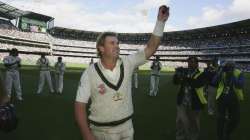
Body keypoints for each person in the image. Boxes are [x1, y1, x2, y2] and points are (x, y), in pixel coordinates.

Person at [74, 5, 169, 140]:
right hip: (101, 132)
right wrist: (86, 134)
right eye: (112, 43)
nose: (117, 45)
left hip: (127, 129)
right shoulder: (89, 73)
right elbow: (79, 105)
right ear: (101, 48)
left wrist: (160, 22)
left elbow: (151, 48)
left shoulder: (128, 63)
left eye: (117, 43)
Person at [173, 56, 208, 140]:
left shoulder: (201, 74)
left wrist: (184, 77)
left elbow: (197, 84)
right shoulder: (185, 72)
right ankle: (180, 136)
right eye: (189, 62)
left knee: (194, 122)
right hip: (182, 100)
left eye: (193, 62)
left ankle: (193, 137)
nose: (191, 63)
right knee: (180, 121)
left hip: (195, 102)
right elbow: (175, 82)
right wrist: (176, 75)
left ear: (197, 64)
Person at [212, 61, 244, 140]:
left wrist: (232, 76)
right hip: (221, 98)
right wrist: (220, 71)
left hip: (234, 98)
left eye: (231, 67)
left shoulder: (238, 73)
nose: (229, 68)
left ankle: (227, 132)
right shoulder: (222, 72)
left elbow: (240, 85)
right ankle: (220, 136)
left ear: (234, 67)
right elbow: (214, 82)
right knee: (220, 119)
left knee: (235, 119)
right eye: (228, 66)